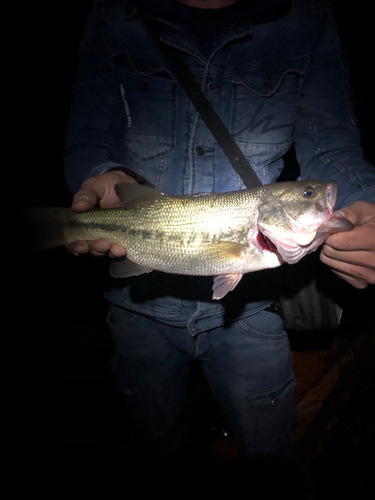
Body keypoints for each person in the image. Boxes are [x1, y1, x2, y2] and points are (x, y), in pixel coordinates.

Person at [64, 0, 375, 470]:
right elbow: (89, 133)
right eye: (309, 195)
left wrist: (367, 202)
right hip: (136, 310)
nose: (321, 197)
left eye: (311, 195)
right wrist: (100, 173)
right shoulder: (115, 13)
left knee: (269, 454)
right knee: (154, 445)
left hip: (251, 312)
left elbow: (333, 148)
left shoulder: (308, 16)